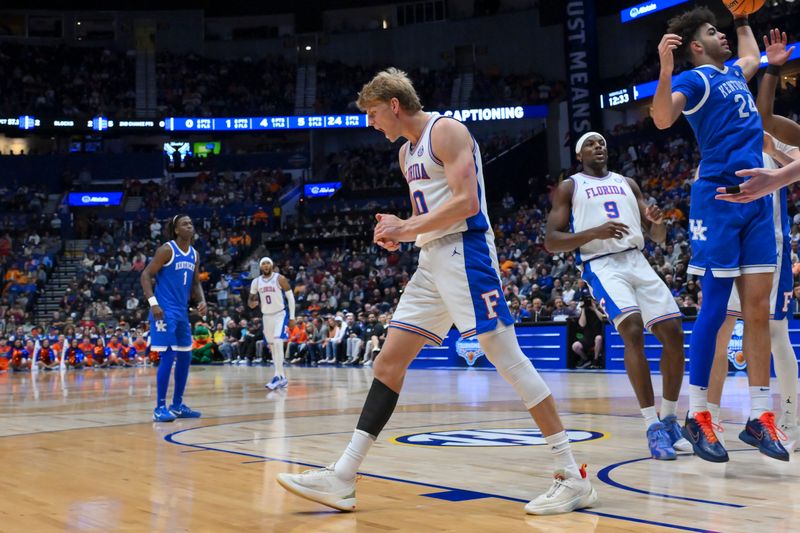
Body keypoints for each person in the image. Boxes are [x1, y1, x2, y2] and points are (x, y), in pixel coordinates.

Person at [277, 68, 597, 515]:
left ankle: (572, 475)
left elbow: (465, 203)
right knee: (388, 361)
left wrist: (407, 227)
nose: (370, 124)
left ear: (393, 104)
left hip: (467, 255)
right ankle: (343, 476)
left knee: (509, 361)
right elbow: (425, 214)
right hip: (432, 262)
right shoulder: (407, 154)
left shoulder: (445, 131)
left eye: (372, 114)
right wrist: (401, 234)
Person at [652, 7, 787, 462]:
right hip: (719, 200)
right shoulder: (694, 80)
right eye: (713, 31)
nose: (722, 36)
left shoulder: (732, 72)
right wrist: (666, 70)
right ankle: (697, 414)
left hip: (755, 200)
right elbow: (662, 118)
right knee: (714, 306)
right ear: (695, 46)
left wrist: (743, 16)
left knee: (756, 310)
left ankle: (759, 416)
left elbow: (751, 55)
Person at [545, 131, 691, 459]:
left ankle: (669, 420)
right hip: (601, 265)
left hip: (637, 259)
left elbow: (657, 235)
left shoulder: (628, 183)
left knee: (674, 334)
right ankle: (650, 424)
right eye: (592, 144)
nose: (600, 147)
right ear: (579, 154)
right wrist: (594, 232)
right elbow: (551, 240)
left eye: (603, 144)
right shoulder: (570, 186)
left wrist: (658, 224)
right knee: (633, 330)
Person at [709, 135, 800, 452]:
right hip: (731, 249)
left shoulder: (772, 137)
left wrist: (773, 148)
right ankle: (711, 422)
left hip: (770, 249)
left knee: (776, 335)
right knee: (719, 335)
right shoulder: (718, 139)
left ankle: (792, 423)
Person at [141, 214, 207, 422]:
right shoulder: (167, 250)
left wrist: (202, 300)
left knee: (186, 357)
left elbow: (196, 282)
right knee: (168, 356)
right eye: (185, 224)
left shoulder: (194, 254)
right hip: (164, 310)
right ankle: (159, 407)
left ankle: (177, 405)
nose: (190, 226)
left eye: (191, 223)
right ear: (177, 230)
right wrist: (153, 303)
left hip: (181, 311)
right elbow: (145, 275)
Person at [248, 257, 295, 389]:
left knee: (278, 342)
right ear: (260, 267)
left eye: (268, 263)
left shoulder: (280, 278)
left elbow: (290, 298)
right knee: (273, 346)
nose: (266, 266)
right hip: (266, 316)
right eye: (263, 264)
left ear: (272, 265)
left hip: (280, 314)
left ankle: (277, 376)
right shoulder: (256, 282)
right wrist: (251, 303)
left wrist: (292, 317)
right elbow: (250, 300)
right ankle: (282, 377)